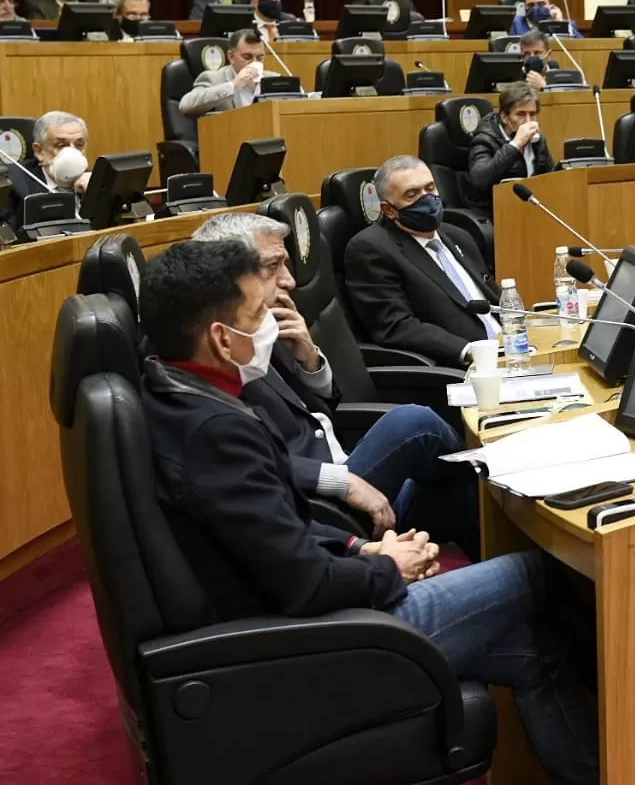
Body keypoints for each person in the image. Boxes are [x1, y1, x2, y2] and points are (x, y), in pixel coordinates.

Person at [137, 239, 600, 785]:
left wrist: (362, 546)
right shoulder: (214, 431)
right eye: (257, 314)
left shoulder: (178, 391)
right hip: (311, 643)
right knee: (540, 571)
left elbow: (278, 532)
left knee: (536, 650)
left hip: (301, 611)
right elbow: (304, 586)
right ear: (220, 337)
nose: (269, 322)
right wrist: (389, 568)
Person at [191, 213, 478, 555]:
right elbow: (245, 458)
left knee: (474, 498)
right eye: (273, 266)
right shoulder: (214, 347)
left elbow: (321, 412)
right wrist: (339, 481)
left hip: (343, 461)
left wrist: (309, 359)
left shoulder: (268, 320)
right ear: (230, 275)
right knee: (415, 424)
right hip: (319, 503)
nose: (289, 281)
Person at [346, 156, 503, 369]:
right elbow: (396, 326)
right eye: (412, 195)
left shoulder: (459, 236)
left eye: (430, 189)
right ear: (389, 209)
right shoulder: (370, 249)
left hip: (510, 350)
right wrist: (468, 351)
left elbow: (490, 297)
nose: (427, 199)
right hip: (467, 366)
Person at [461, 82, 554, 216]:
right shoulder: (485, 139)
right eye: (521, 114)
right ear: (504, 117)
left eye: (532, 114)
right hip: (493, 213)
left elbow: (551, 177)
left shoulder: (537, 141)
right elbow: (479, 180)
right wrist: (515, 144)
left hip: (528, 209)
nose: (528, 121)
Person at [1, 110, 92, 231]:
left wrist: (93, 193)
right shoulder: (14, 184)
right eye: (61, 145)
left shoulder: (94, 181)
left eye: (79, 145)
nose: (72, 152)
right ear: (39, 151)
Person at [179, 28, 280, 117]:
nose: (254, 63)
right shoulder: (214, 78)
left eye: (260, 58)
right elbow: (186, 105)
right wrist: (233, 85)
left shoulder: (274, 79)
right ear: (231, 57)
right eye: (247, 57)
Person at [510, 0, 582, 38]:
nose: (536, 8)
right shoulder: (517, 23)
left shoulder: (569, 24)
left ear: (551, 6)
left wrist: (559, 23)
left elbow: (581, 46)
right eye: (531, 5)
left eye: (541, 4)